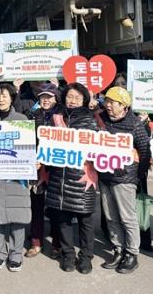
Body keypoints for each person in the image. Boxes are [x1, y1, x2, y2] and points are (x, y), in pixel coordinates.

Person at [94, 87, 150, 274]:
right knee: (110, 217)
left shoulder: (134, 124)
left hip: (125, 178)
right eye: (107, 101)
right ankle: (118, 249)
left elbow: (145, 150)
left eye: (113, 102)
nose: (108, 105)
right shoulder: (100, 119)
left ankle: (132, 253)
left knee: (127, 218)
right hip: (105, 176)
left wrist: (137, 175)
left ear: (124, 106)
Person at [45, 83, 98, 274]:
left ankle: (86, 257)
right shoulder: (54, 118)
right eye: (69, 96)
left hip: (83, 177)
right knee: (63, 219)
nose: (72, 100)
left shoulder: (91, 120)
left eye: (77, 97)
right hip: (59, 176)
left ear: (84, 100)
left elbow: (98, 149)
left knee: (85, 220)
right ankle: (68, 254)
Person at [0, 84, 31, 272]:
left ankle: (16, 254)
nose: (1, 100)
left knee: (17, 215)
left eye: (5, 96)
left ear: (12, 98)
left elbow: (28, 148)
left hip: (16, 177)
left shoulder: (22, 120)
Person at [26, 83, 62, 259]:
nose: (45, 100)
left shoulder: (63, 115)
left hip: (56, 168)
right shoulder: (33, 115)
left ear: (56, 98)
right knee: (36, 206)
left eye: (49, 97)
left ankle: (57, 244)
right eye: (42, 97)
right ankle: (36, 242)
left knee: (56, 207)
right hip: (37, 167)